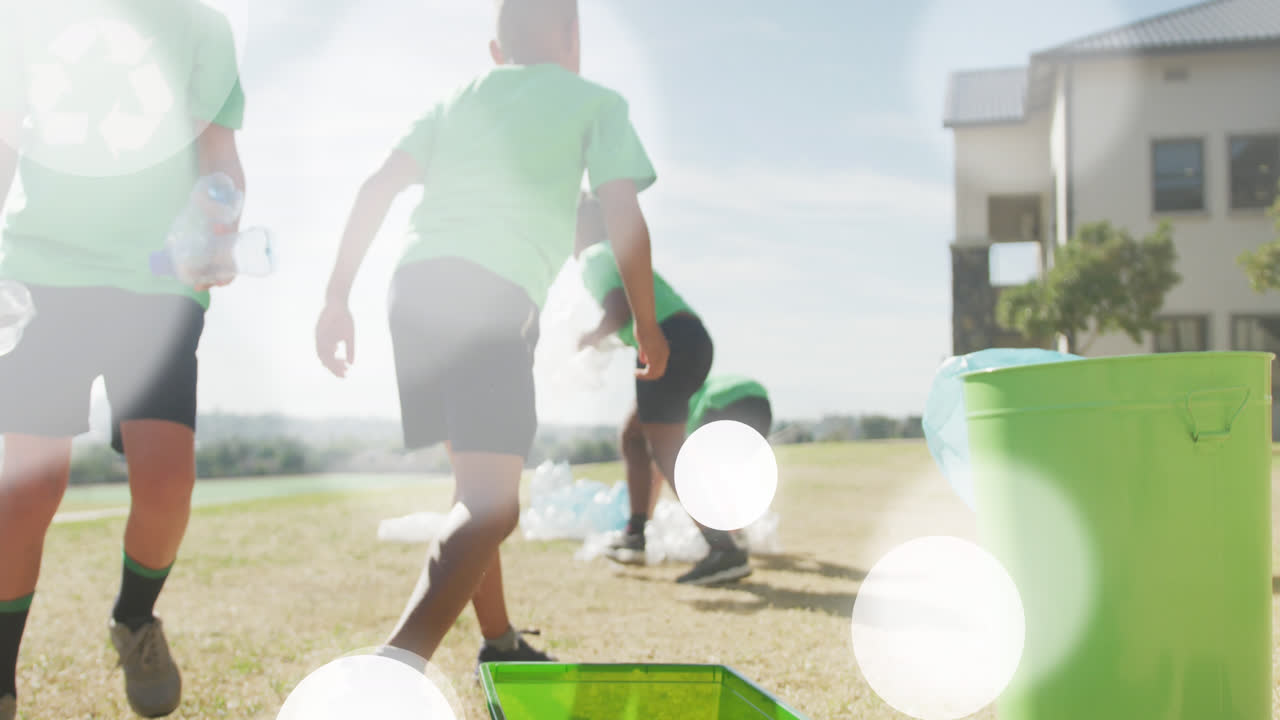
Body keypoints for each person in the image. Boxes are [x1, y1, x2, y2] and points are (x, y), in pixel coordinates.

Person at [314, 0, 669, 674]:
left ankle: (500, 641)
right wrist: (646, 325)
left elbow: (377, 186)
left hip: (412, 290)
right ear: (573, 36)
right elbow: (622, 215)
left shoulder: (455, 102)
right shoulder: (595, 101)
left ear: (495, 50)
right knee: (493, 506)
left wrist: (336, 297)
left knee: (471, 492)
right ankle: (393, 668)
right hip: (491, 296)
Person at [0, 2, 246, 718]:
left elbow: (220, 162)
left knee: (167, 480)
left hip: (156, 280)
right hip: (42, 272)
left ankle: (134, 619)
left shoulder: (201, 26)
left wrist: (219, 223)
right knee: (26, 490)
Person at [575, 194, 751, 586]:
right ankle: (635, 535)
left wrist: (590, 337)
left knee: (666, 448)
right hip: (688, 338)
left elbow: (619, 309)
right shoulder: (607, 252)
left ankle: (723, 548)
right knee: (636, 437)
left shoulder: (594, 256)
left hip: (670, 340)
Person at [633, 375, 773, 519]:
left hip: (719, 405)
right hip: (760, 400)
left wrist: (645, 517)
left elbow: (660, 469)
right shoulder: (695, 382)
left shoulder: (673, 409)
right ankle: (742, 526)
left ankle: (728, 530)